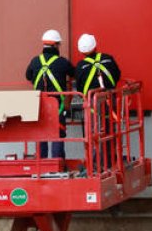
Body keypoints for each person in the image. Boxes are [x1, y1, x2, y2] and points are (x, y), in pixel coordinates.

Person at [74, 33, 122, 171]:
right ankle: (110, 160)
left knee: (95, 134)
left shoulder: (81, 66)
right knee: (110, 130)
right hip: (110, 100)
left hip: (93, 104)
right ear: (95, 46)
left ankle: (96, 164)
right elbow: (117, 75)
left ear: (81, 51)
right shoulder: (108, 59)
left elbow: (81, 87)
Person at [24, 29, 73, 160]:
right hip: (57, 106)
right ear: (56, 45)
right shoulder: (62, 62)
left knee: (41, 134)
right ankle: (57, 164)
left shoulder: (35, 61)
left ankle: (42, 164)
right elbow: (74, 73)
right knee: (57, 133)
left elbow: (28, 76)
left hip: (40, 105)